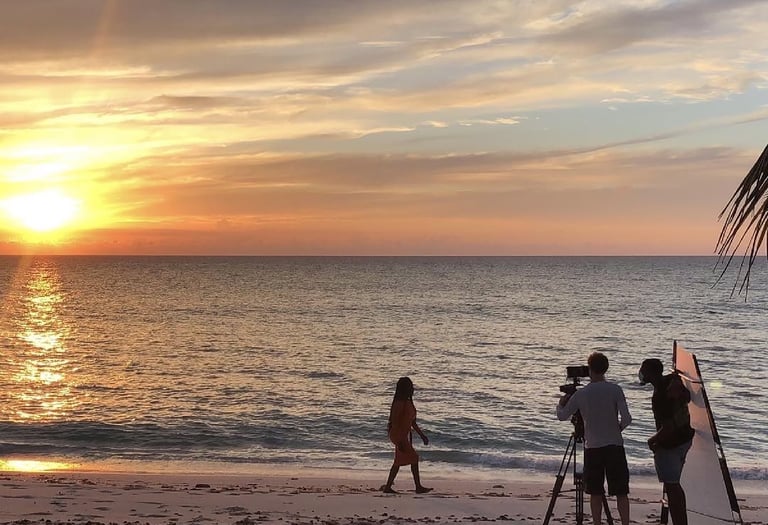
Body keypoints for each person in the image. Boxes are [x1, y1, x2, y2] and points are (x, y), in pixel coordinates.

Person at [557, 352, 632, 525]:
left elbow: (562, 416)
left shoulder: (582, 394)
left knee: (595, 491)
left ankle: (597, 522)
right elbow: (627, 418)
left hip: (593, 447)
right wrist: (616, 430)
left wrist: (561, 403)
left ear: (590, 369)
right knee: (621, 491)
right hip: (615, 446)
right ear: (605, 369)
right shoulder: (615, 389)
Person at [638, 358, 695, 525]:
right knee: (674, 485)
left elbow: (668, 427)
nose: (641, 373)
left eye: (643, 370)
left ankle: (680, 521)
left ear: (649, 373)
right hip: (685, 439)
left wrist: (653, 440)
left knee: (672, 487)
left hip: (671, 444)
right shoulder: (673, 382)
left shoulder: (660, 397)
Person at [382, 376, 432, 494]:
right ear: (405, 388)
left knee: (398, 461)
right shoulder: (399, 403)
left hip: (402, 435)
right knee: (413, 458)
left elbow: (412, 422)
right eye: (410, 386)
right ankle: (418, 487)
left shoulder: (407, 402)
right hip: (397, 434)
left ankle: (388, 487)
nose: (413, 389)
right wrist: (399, 441)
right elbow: (395, 421)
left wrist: (422, 435)